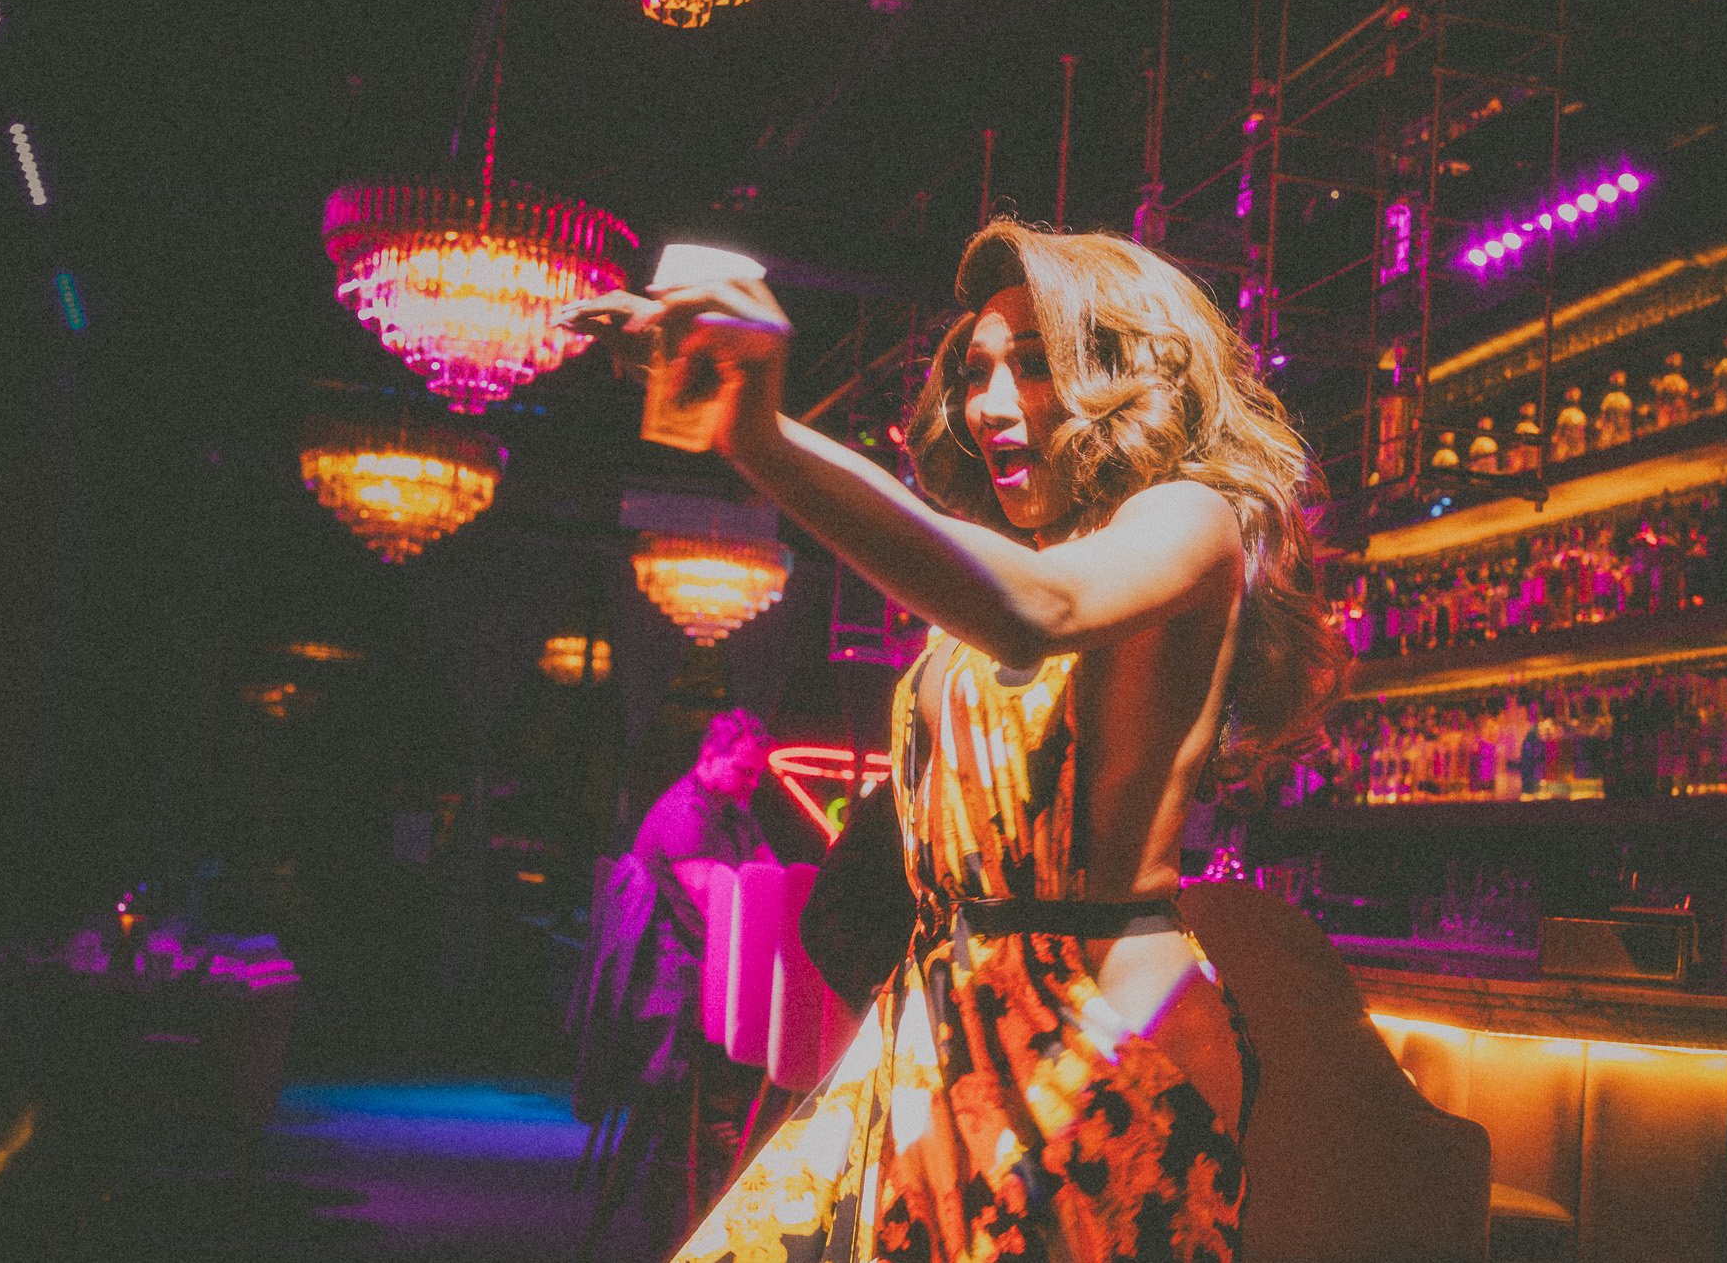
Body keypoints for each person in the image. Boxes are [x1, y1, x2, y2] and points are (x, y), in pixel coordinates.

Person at [560, 219, 1347, 1263]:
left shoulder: (1191, 517)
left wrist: (757, 434)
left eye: (1033, 364)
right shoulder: (1029, 548)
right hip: (941, 1016)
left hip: (1097, 1038)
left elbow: (1038, 610)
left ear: (1122, 372)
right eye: (974, 372)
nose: (988, 405)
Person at [566, 708, 778, 1259]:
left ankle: (717, 1140)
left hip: (698, 979)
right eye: (746, 771)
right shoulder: (686, 811)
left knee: (756, 1045)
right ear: (709, 758)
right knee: (717, 1081)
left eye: (758, 774)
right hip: (663, 993)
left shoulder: (733, 810)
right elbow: (721, 909)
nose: (754, 783)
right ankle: (680, 1224)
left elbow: (768, 878)